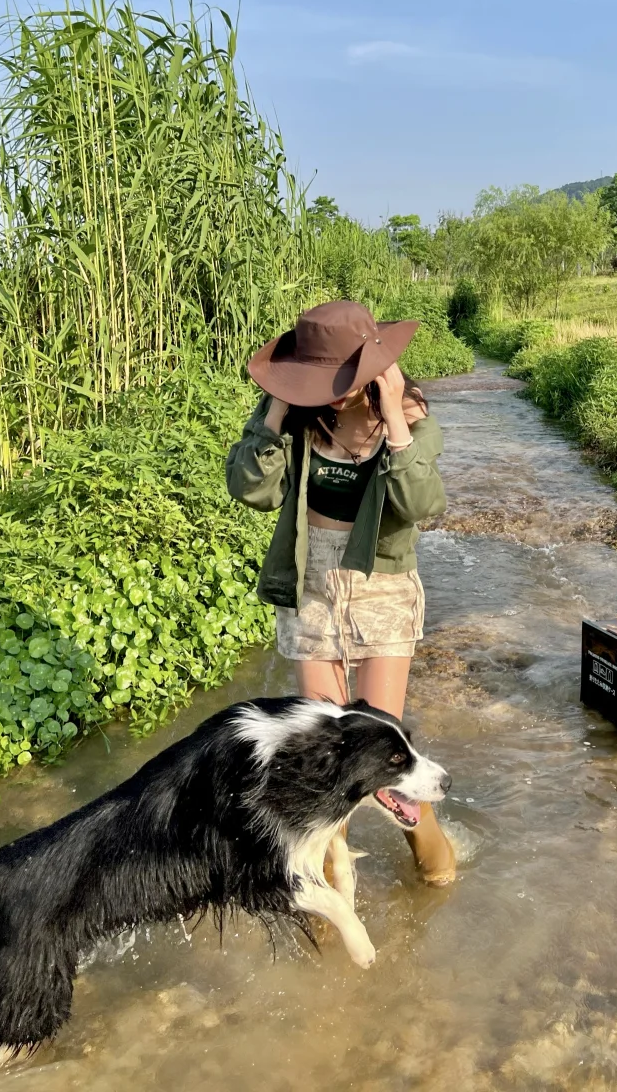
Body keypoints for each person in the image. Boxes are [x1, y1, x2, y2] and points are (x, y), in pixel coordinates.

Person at [225, 300, 456, 886]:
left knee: (383, 754)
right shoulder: (301, 417)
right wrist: (277, 404)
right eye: (315, 378)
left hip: (383, 584)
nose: (327, 392)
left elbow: (420, 504)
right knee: (327, 761)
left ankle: (434, 866)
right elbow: (250, 489)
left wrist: (397, 424)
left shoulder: (411, 419)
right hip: (311, 587)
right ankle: (332, 899)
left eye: (339, 379)